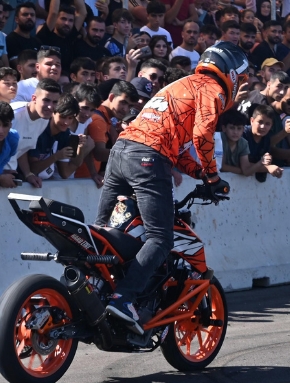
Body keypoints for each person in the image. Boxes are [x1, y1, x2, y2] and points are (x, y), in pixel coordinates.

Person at [97, 42, 245, 332]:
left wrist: (202, 174)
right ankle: (123, 299)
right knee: (161, 240)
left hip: (119, 153)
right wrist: (213, 177)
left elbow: (178, 152)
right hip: (148, 159)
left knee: (102, 232)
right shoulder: (211, 89)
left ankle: (95, 291)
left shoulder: (180, 84)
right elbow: (203, 135)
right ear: (232, 74)